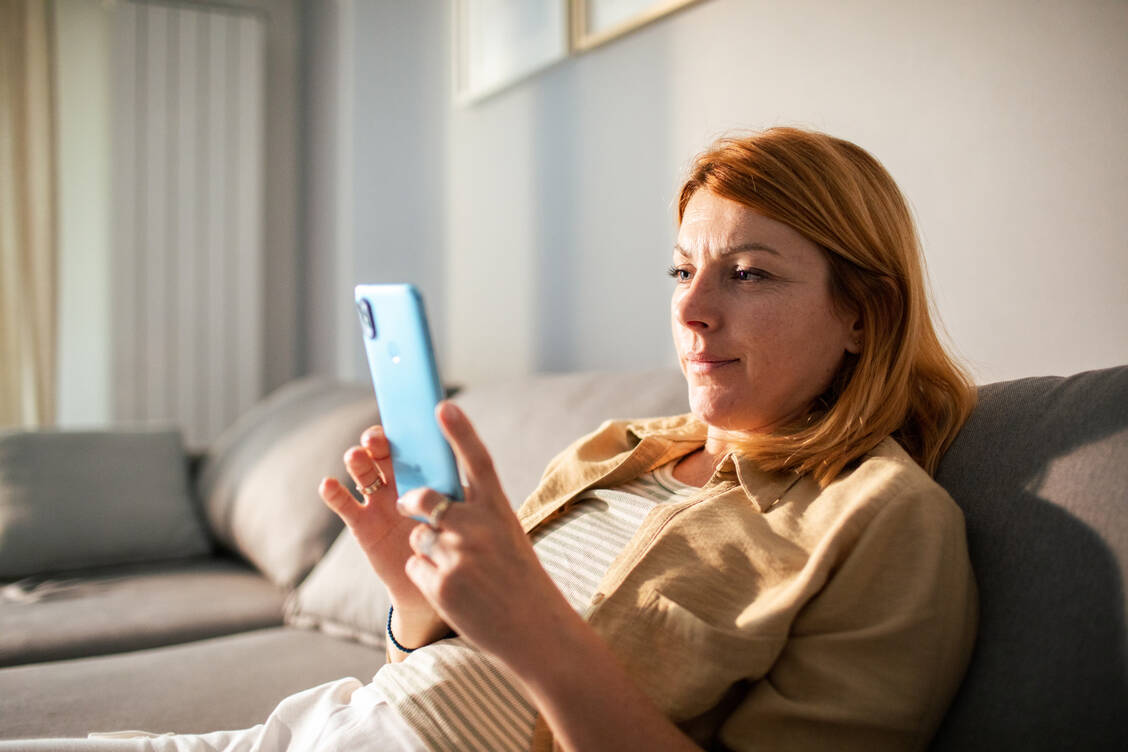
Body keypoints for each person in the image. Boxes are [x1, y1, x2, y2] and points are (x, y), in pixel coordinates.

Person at [5, 127, 978, 752]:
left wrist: (541, 634)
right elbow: (438, 664)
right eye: (681, 269)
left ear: (863, 310)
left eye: (749, 274)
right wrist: (407, 589)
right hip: (323, 727)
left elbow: (529, 653)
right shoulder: (621, 446)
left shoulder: (886, 521)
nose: (692, 308)